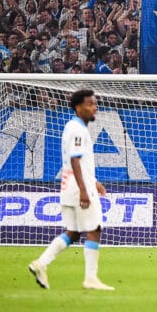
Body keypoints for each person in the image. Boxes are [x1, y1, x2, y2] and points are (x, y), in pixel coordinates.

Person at [28, 89, 113, 291]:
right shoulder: (77, 130)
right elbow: (75, 160)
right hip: (78, 188)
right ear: (78, 107)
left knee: (73, 233)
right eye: (90, 104)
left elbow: (78, 162)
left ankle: (41, 263)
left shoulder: (71, 127)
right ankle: (91, 278)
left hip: (69, 186)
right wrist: (85, 190)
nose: (95, 107)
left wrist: (94, 182)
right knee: (94, 229)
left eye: (95, 103)